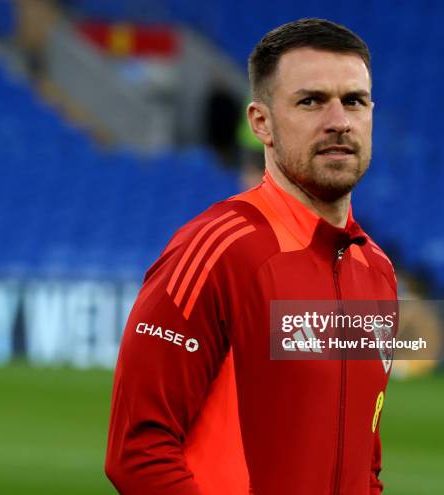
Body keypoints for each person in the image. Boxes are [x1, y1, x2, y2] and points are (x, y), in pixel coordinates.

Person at [105, 18, 397, 495]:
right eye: (311, 101)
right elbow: (138, 450)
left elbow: (366, 464)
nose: (339, 120)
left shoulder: (377, 271)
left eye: (354, 101)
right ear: (261, 122)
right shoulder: (216, 250)